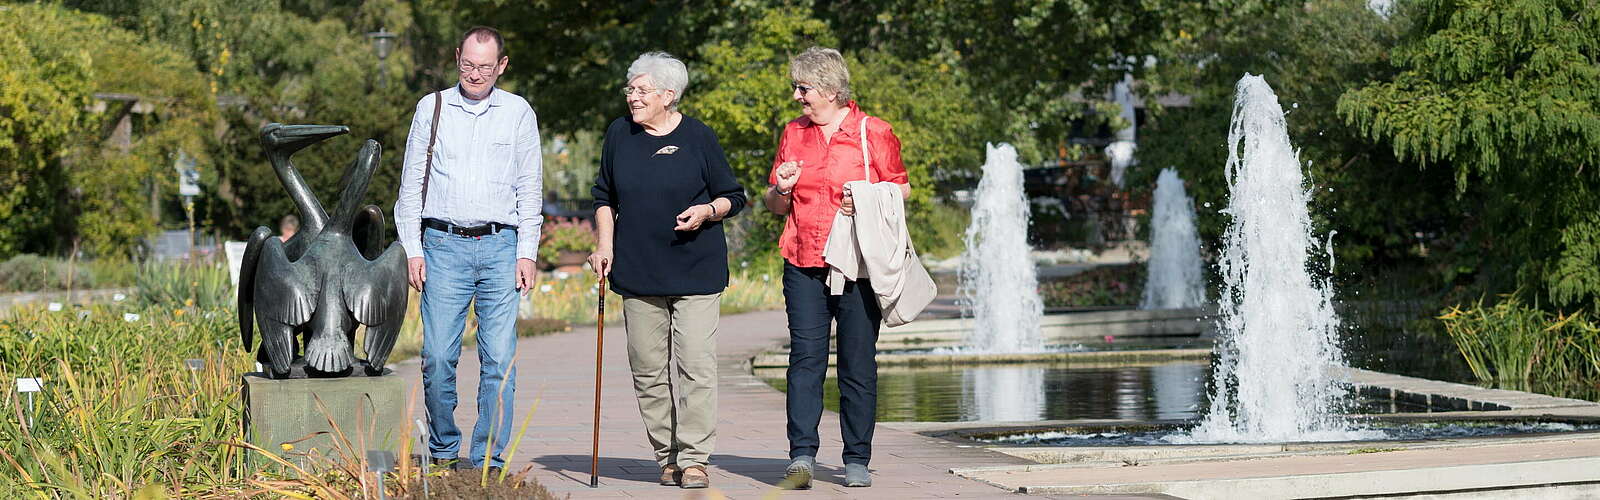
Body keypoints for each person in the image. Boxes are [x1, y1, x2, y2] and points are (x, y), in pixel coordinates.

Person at [588, 52, 746, 490]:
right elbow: (604, 195)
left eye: (641, 91)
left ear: (668, 95)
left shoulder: (699, 137)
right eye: (630, 90)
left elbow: (734, 196)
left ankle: (695, 458)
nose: (632, 98)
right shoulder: (619, 134)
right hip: (638, 272)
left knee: (695, 365)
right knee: (648, 370)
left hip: (696, 271)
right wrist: (604, 244)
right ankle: (668, 455)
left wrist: (707, 211)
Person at [394, 26, 542, 474]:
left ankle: (487, 460)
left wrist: (527, 251)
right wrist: (412, 249)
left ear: (501, 66)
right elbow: (410, 185)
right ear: (458, 56)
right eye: (467, 64)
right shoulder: (432, 108)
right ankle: (442, 450)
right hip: (442, 246)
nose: (475, 74)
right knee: (438, 357)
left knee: (499, 361)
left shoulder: (518, 112)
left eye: (484, 67)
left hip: (501, 246)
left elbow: (529, 187)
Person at [765, 46, 910, 489]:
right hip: (803, 260)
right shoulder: (793, 133)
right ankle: (802, 456)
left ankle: (857, 458)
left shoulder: (874, 132)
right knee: (805, 360)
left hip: (858, 266)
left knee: (857, 363)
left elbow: (902, 192)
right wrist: (783, 189)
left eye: (803, 88)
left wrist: (865, 198)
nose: (797, 96)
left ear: (829, 89)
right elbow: (773, 202)